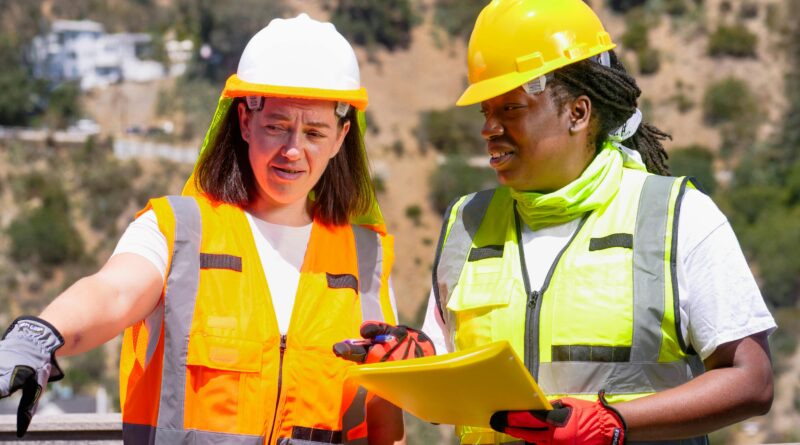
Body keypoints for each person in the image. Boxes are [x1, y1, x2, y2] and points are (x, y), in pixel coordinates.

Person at [0, 14, 412, 445]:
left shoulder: (366, 259)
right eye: (276, 126)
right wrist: (41, 334)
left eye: (314, 132)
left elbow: (383, 426)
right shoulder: (178, 231)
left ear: (340, 138)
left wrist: (409, 378)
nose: (293, 150)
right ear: (245, 122)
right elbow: (114, 292)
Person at [421, 1, 776, 444]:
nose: (489, 128)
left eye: (510, 108)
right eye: (485, 112)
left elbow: (752, 381)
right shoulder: (466, 223)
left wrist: (616, 422)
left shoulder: (676, 217)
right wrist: (409, 357)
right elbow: (440, 387)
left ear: (578, 113)